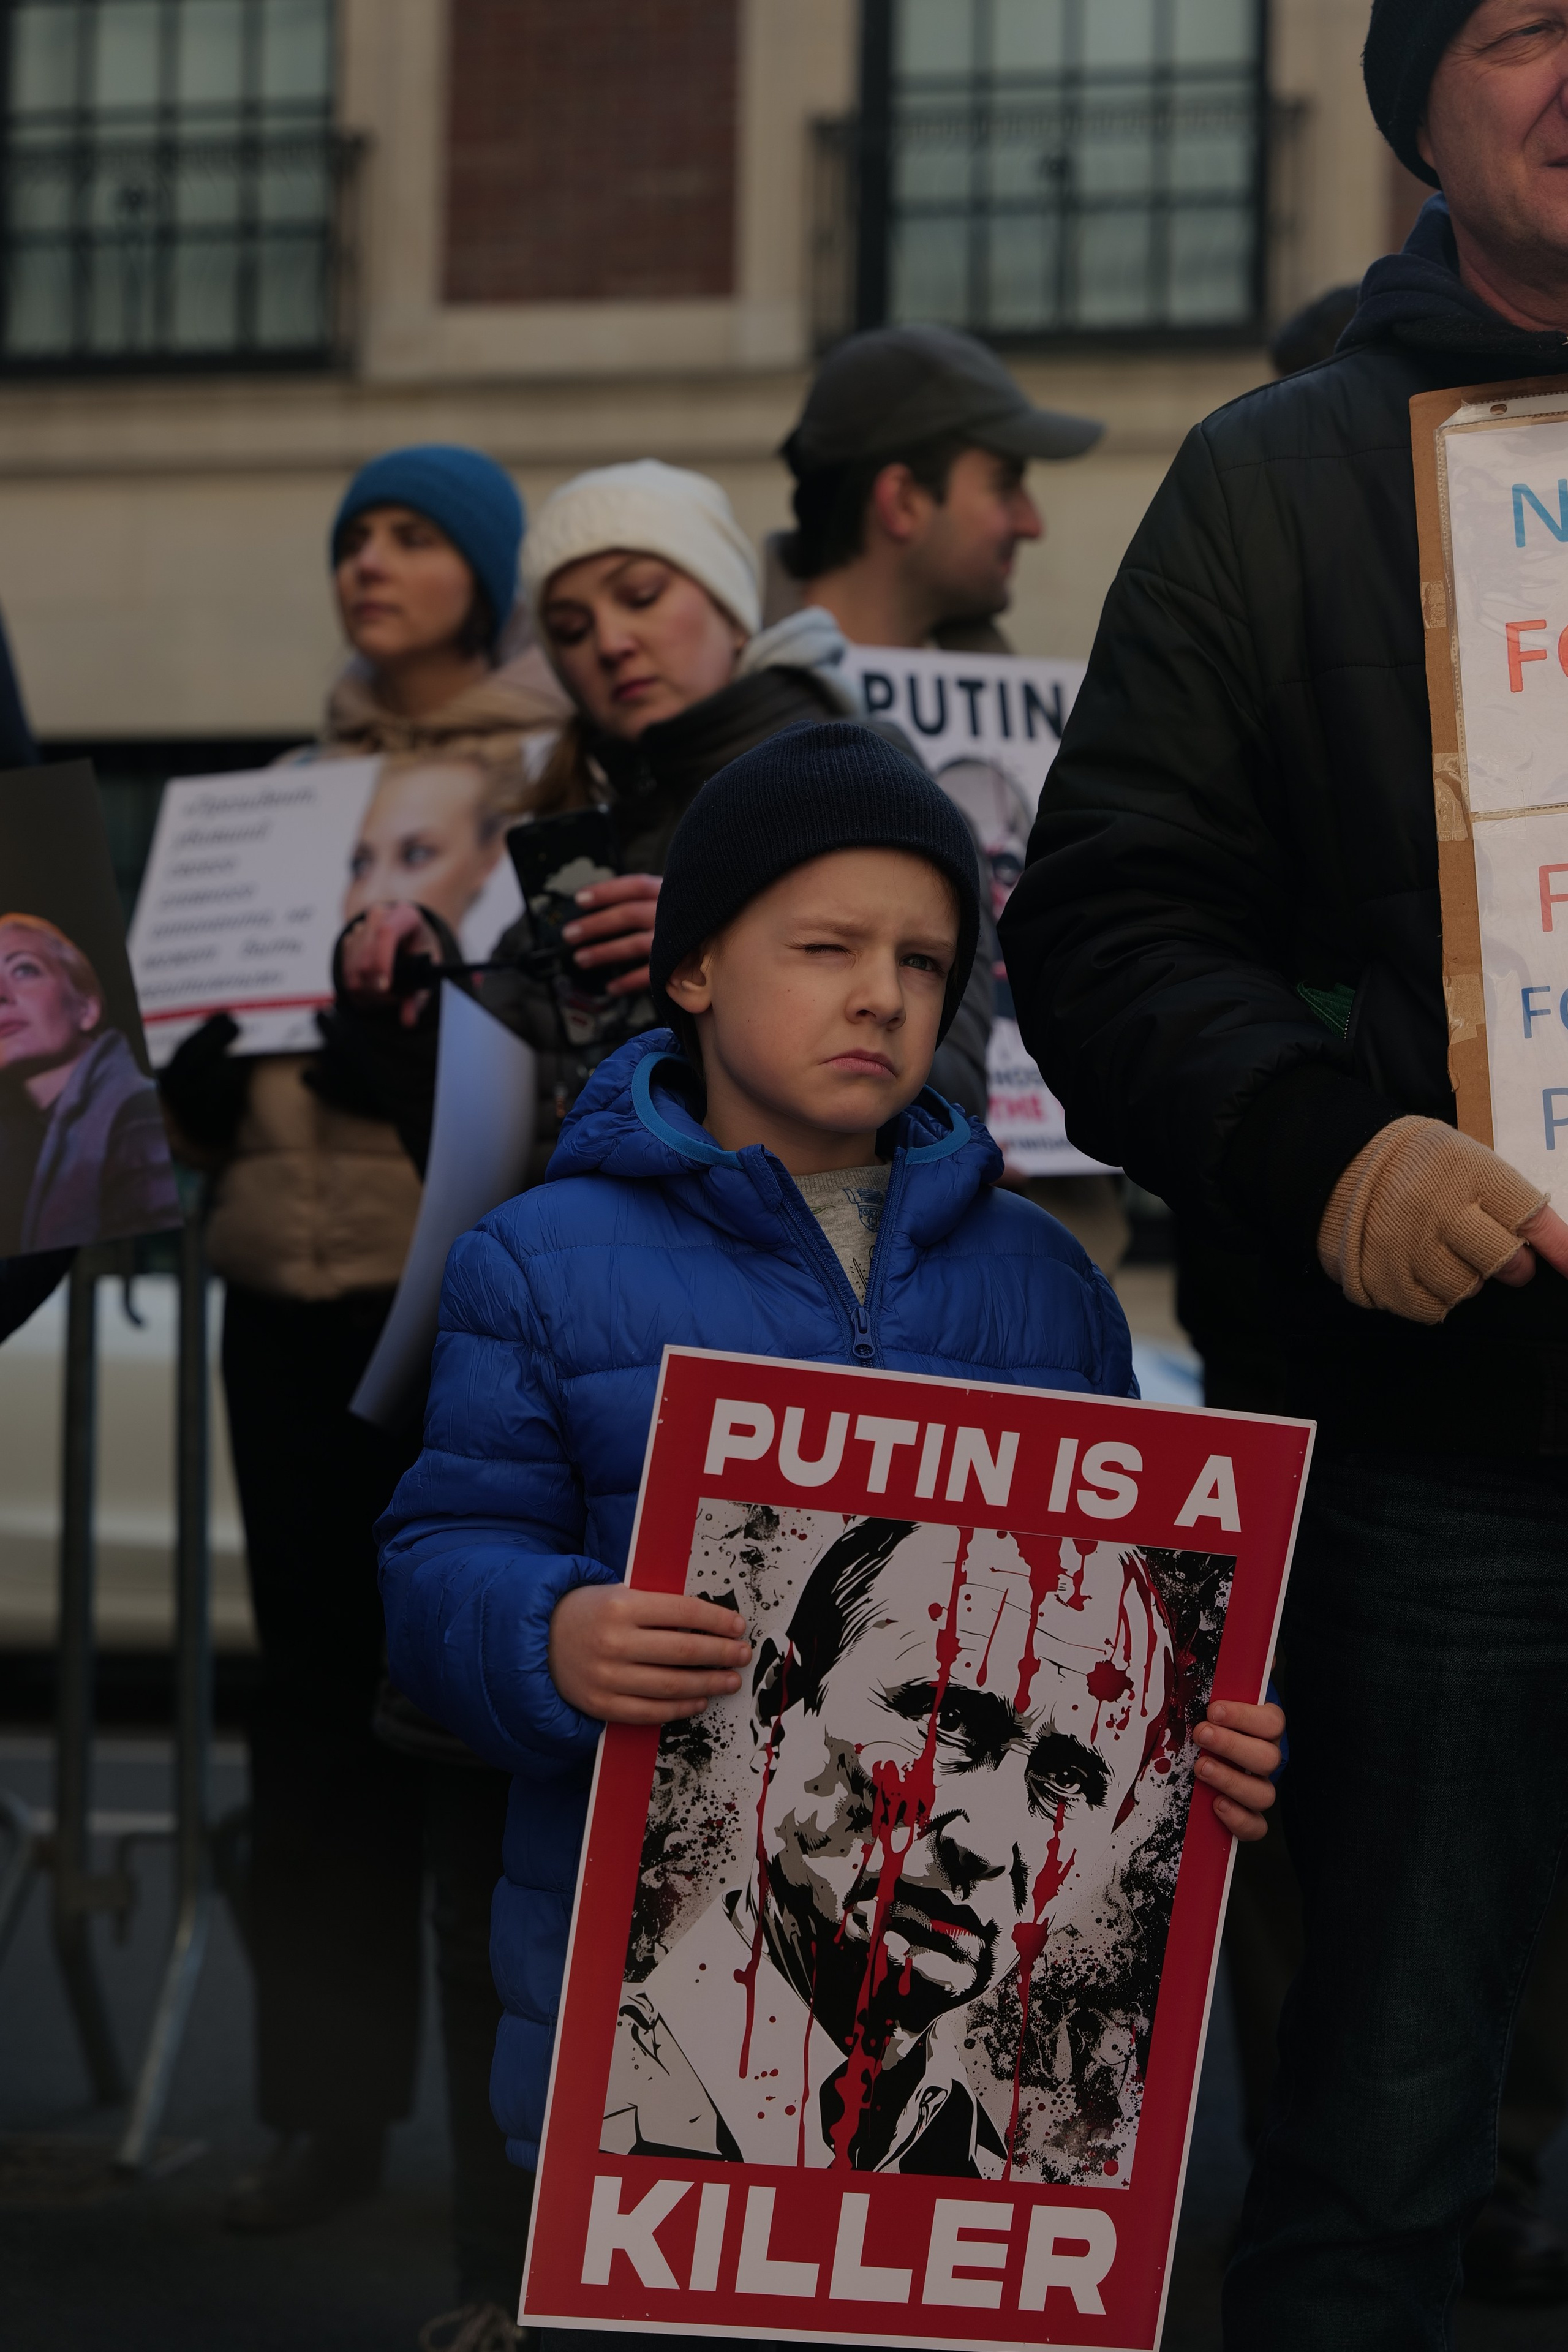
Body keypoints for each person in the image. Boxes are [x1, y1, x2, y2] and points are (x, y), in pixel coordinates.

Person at [377, 722, 1287, 2352]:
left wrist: (1199, 1740)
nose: (882, 993)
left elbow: (1131, 1632)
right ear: (697, 968)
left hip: (975, 2143)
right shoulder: (536, 1262)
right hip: (630, 2074)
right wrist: (550, 1633)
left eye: (925, 961)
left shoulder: (1047, 1285)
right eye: (827, 948)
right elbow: (441, 1559)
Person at [998, 4, 1568, 2342]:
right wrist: (1326, 1152)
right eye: (1535, 21)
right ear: (1417, 100)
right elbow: (1107, 921)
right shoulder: (1276, 475)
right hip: (1446, 1454)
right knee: (1378, 2137)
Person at [158, 445, 554, 2335]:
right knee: (306, 1708)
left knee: (464, 1709)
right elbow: (171, 1062)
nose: (369, 562)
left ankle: (517, 2143)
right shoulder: (270, 799)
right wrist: (186, 1067)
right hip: (278, 1279)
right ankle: (325, 2109)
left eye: (410, 535)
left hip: (451, 1281)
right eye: (351, 536)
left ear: (485, 576)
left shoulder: (549, 780)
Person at [339, 459, 993, 1167]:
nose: (611, 643)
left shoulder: (872, 785)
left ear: (734, 615)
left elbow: (947, 1094)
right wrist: (411, 1001)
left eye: (642, 596)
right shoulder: (577, 851)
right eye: (568, 628)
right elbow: (480, 1154)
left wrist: (716, 951)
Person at [605, 1522, 1200, 2180]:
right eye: (948, 1720)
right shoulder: (591, 2097)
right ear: (779, 1704)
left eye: (1066, 1781)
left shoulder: (998, 2195)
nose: (982, 1844)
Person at [767, 323, 1100, 653]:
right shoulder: (729, 697)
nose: (1033, 526)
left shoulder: (1002, 698)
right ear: (902, 504)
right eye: (1004, 486)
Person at [0, 914, 178, 1255]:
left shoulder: (135, 1112)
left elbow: (148, 1261)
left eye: (24, 970)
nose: (1, 994)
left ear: (87, 1008)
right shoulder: (26, 1134)